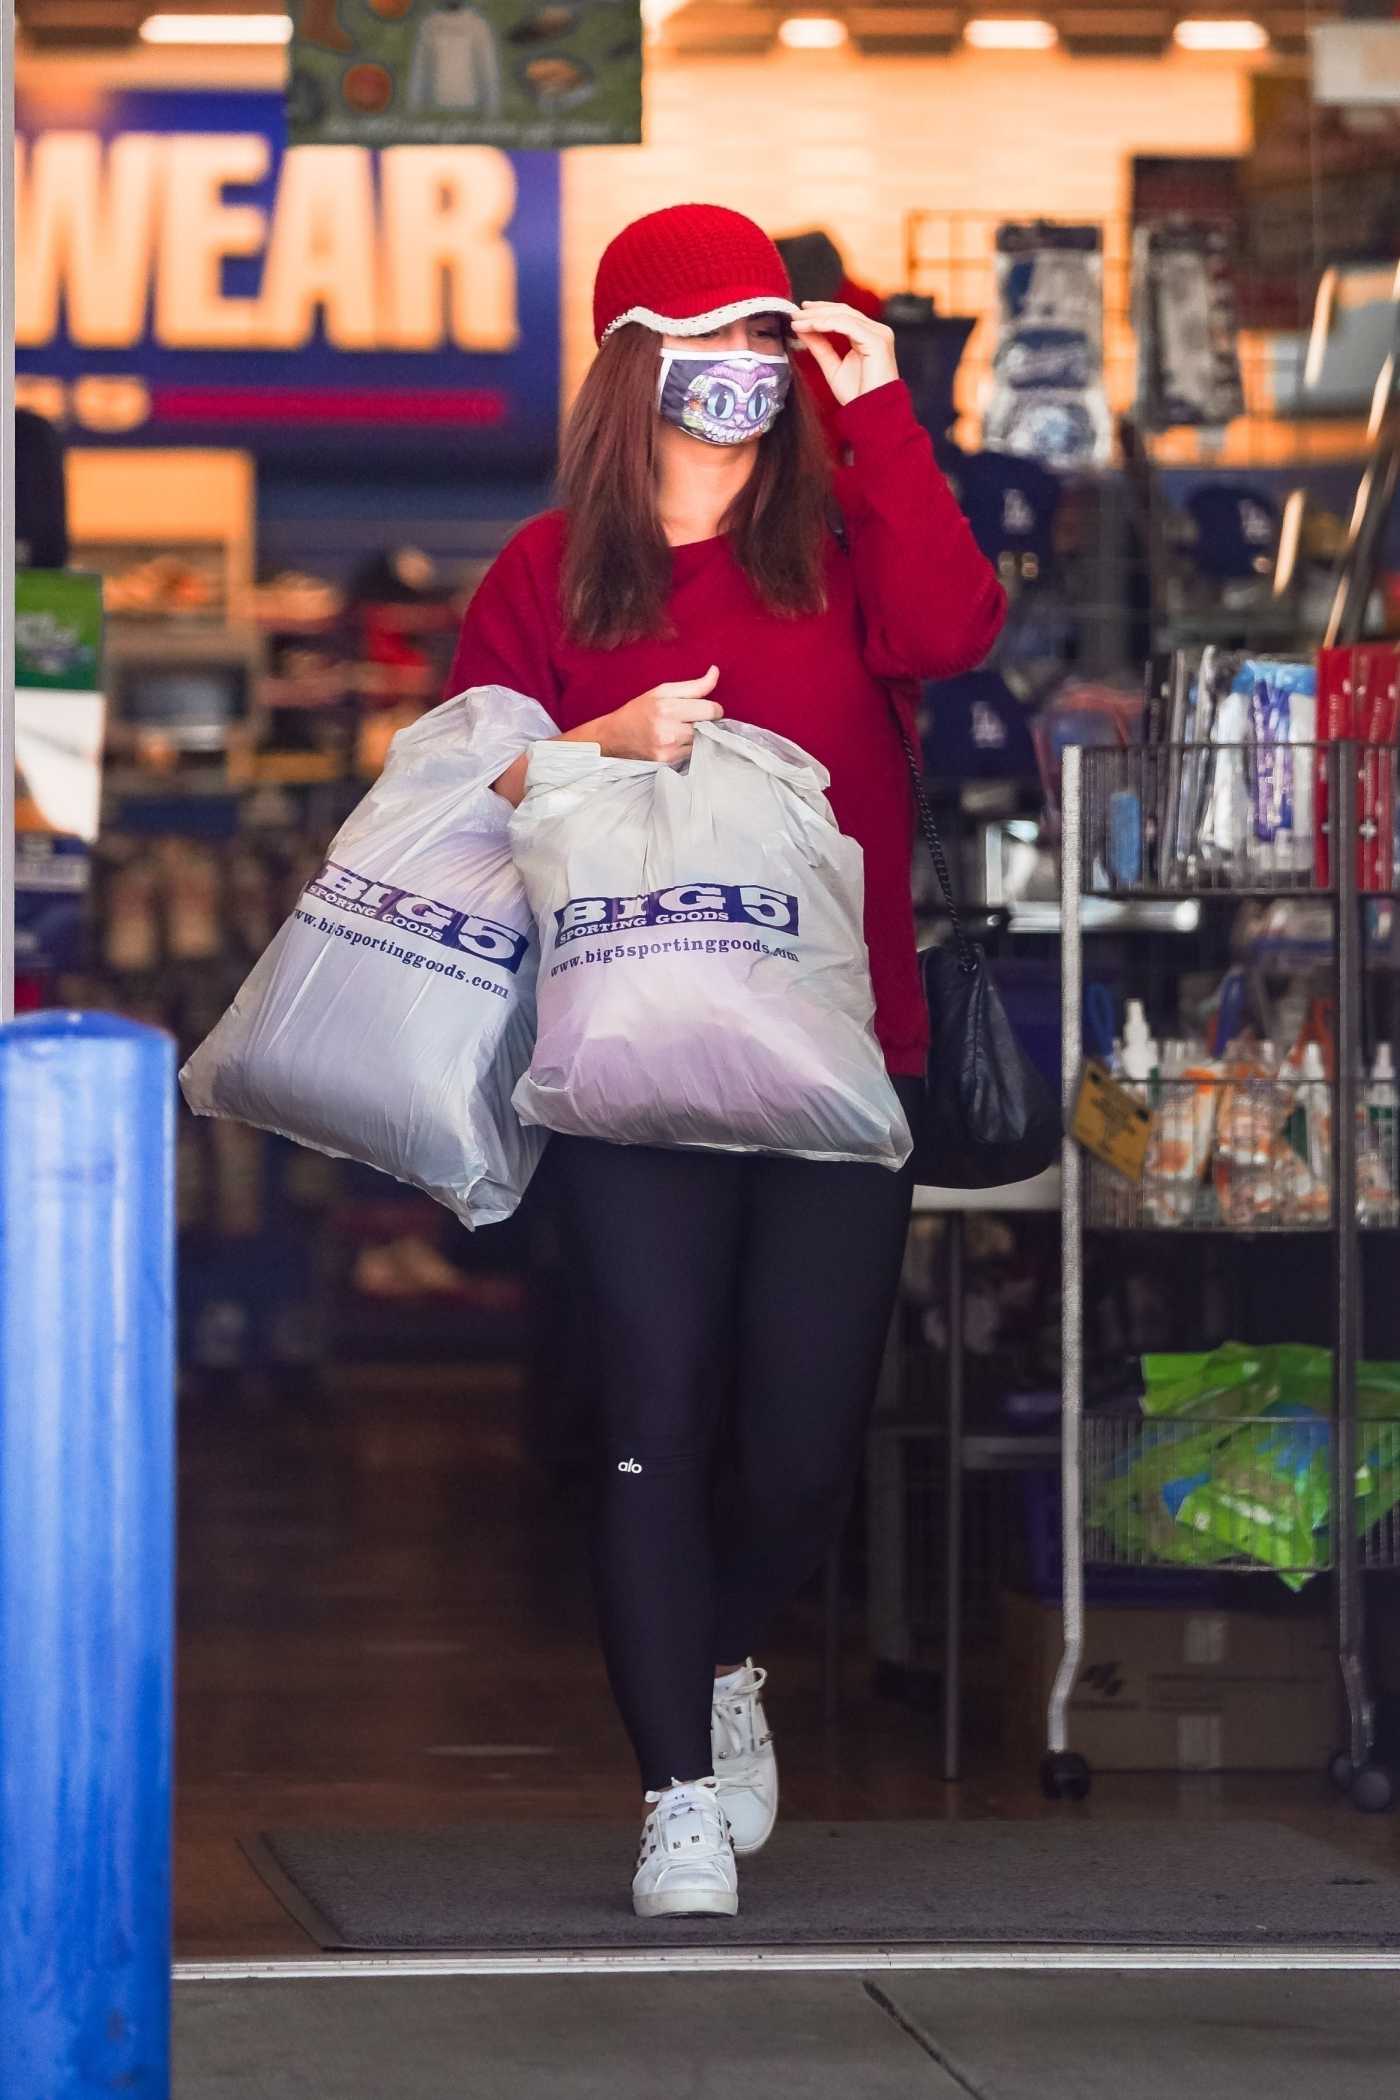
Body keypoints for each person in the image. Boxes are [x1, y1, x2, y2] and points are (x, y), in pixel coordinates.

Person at [446, 203, 1004, 1920]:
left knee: (799, 1444)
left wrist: (886, 404)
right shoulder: (548, 575)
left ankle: (731, 1658)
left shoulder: (844, 545)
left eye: (773, 341)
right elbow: (460, 801)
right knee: (654, 1419)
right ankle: (673, 1793)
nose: (751, 373)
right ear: (637, 366)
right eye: (719, 342)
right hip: (626, 1067)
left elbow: (960, 631)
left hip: (842, 1061)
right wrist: (589, 746)